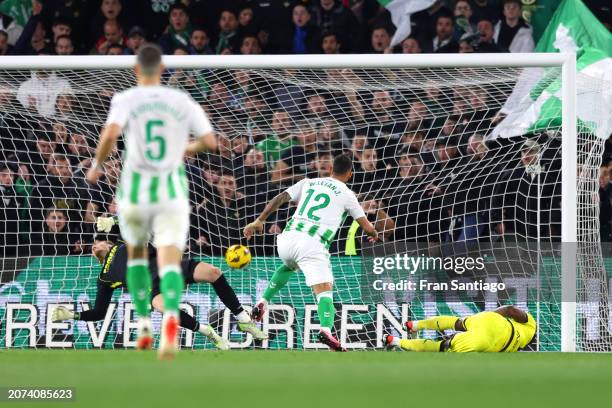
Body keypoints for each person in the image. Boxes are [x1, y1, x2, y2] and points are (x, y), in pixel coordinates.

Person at [85, 43, 217, 359]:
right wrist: (181, 150)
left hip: (136, 190)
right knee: (169, 261)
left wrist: (96, 166)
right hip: (171, 191)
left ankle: (145, 323)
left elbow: (109, 136)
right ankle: (170, 326)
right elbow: (211, 142)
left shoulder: (126, 99)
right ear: (162, 69)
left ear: (136, 70)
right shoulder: (180, 100)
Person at [243, 154, 379, 351]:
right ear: (350, 174)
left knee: (289, 265)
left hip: (287, 240)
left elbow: (280, 197)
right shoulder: (348, 193)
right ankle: (325, 330)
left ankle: (263, 300)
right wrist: (375, 234)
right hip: (312, 244)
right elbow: (366, 227)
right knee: (325, 291)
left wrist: (259, 221)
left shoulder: (309, 182)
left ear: (331, 169)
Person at [51, 233, 267, 349]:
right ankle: (208, 332)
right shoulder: (104, 278)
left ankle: (243, 319)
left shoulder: (120, 243)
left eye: (97, 242)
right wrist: (74, 315)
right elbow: (99, 312)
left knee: (213, 272)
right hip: (152, 286)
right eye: (92, 247)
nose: (94, 246)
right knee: (165, 307)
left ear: (106, 242)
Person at [384, 305, 536, 352]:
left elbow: (510, 310)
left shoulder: (530, 325)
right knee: (440, 346)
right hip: (487, 341)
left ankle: (415, 325)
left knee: (456, 322)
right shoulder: (525, 337)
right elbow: (512, 311)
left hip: (491, 321)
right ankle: (395, 341)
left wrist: (486, 316)